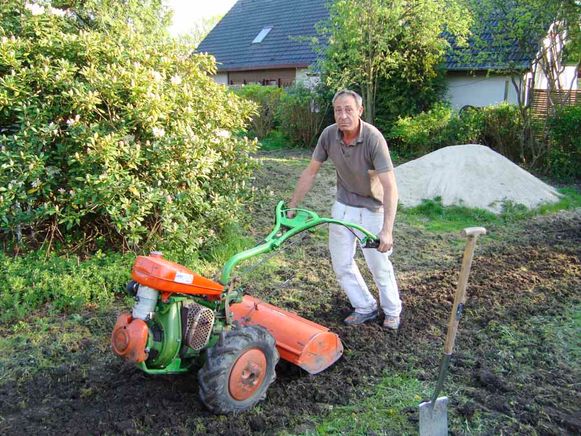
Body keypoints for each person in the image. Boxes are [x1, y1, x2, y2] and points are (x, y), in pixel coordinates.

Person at [288, 89, 402, 330]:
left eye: (348, 109)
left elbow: (390, 187)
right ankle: (364, 306)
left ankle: (392, 311)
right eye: (338, 110)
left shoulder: (373, 138)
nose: (343, 115)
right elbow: (310, 172)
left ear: (360, 111)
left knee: (378, 265)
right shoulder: (329, 135)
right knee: (341, 263)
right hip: (343, 206)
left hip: (372, 210)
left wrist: (387, 230)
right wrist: (293, 206)